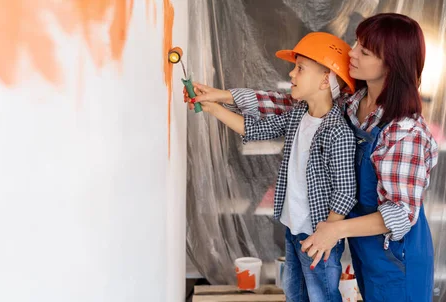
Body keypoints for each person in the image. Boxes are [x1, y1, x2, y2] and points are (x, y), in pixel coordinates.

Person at [186, 13, 438, 302]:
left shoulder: (405, 132)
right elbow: (292, 104)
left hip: (398, 254)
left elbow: (400, 213)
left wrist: (333, 228)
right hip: (363, 244)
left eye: (364, 51)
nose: (351, 52)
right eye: (356, 43)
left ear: (391, 65)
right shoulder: (351, 102)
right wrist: (222, 97)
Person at [187, 32, 357, 302]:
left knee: (322, 295)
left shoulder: (338, 132)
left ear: (326, 80)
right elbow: (255, 128)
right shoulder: (298, 114)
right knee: (294, 292)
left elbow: (346, 191)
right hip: (293, 227)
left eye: (300, 68)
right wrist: (214, 108)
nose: (291, 74)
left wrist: (328, 235)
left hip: (317, 236)